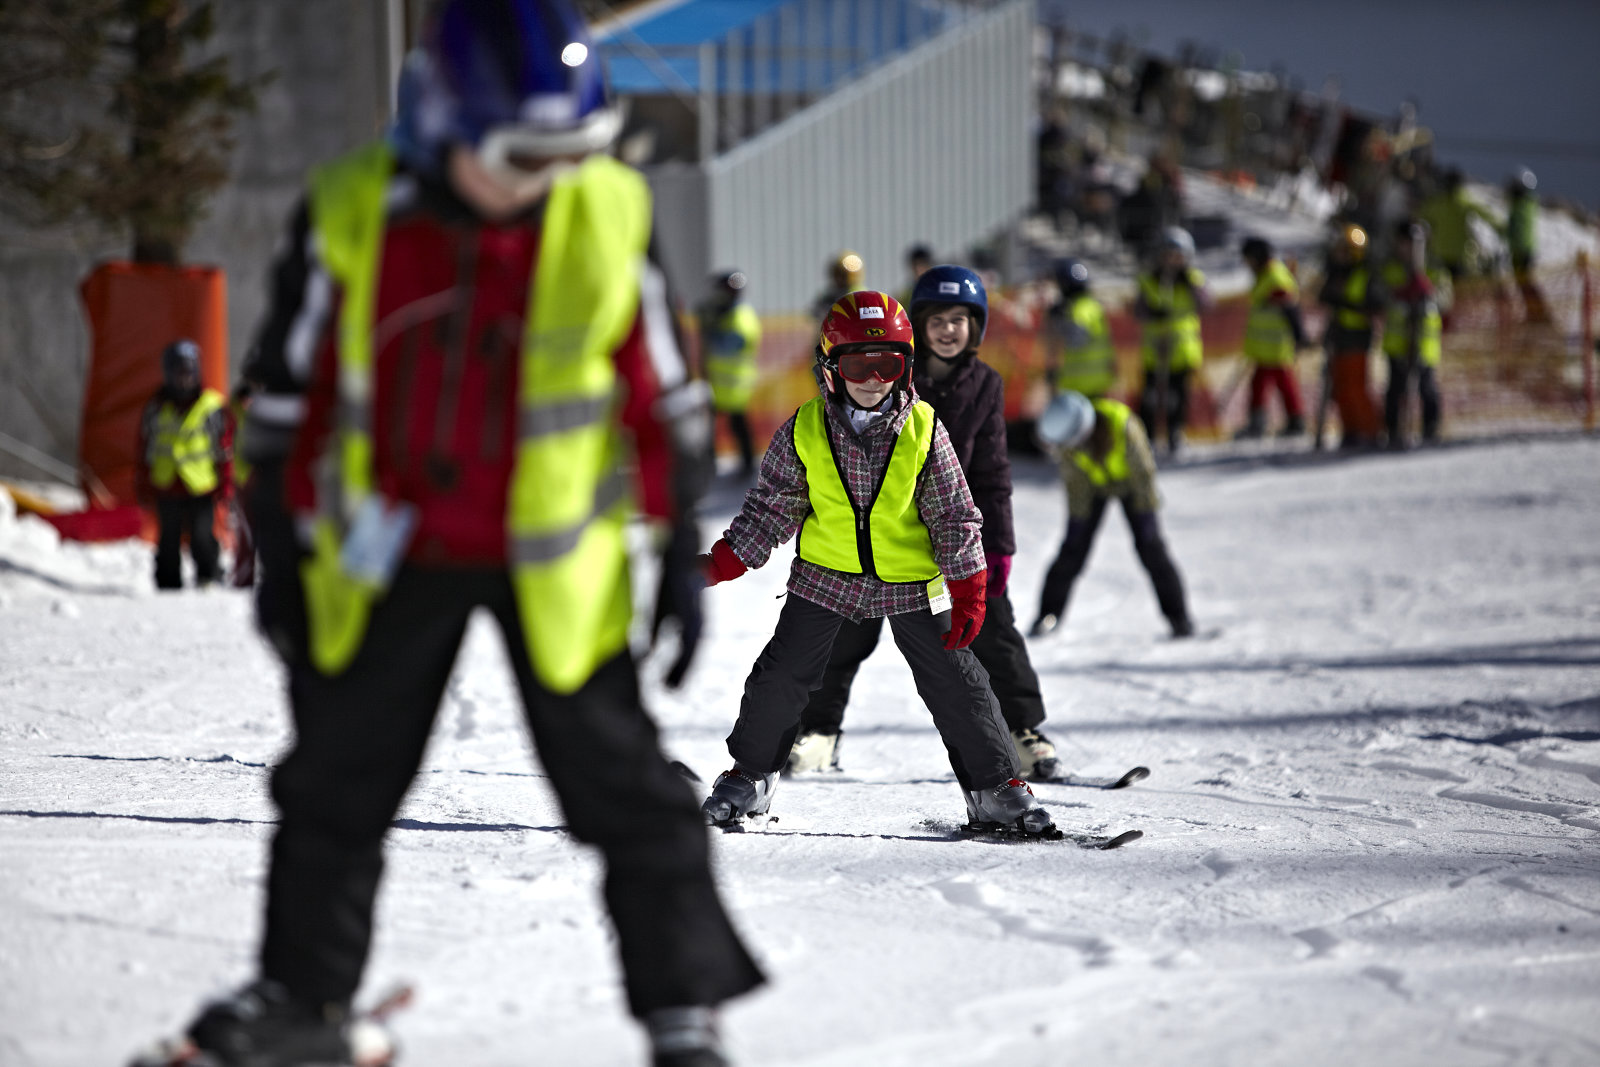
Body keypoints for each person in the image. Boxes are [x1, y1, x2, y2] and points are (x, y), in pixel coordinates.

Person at [144, 4, 764, 1065]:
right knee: (335, 783)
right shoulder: (355, 213)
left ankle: (683, 1008)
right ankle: (303, 998)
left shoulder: (605, 209)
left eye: (573, 151)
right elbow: (284, 402)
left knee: (626, 785)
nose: (549, 178)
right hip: (393, 553)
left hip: (553, 561)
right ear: (443, 127)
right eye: (524, 157)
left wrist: (673, 550)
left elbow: (663, 398)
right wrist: (279, 551)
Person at [696, 290, 1057, 839]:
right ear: (830, 368)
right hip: (826, 578)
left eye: (887, 365)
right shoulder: (804, 429)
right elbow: (770, 509)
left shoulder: (923, 428)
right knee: (783, 675)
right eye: (857, 365)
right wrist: (723, 561)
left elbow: (953, 514)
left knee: (958, 681)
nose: (872, 380)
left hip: (911, 581)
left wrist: (969, 585)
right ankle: (750, 776)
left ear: (904, 367)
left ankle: (995, 788)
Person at [785, 267, 1061, 781]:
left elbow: (992, 473)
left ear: (975, 327)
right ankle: (819, 732)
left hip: (956, 533)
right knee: (842, 636)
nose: (948, 331)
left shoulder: (985, 384)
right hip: (882, 534)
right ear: (917, 329)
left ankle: (1022, 730)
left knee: (994, 632)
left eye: (959, 320)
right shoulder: (890, 373)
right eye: (936, 321)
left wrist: (998, 548)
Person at [1030, 391, 1193, 640]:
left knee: (1151, 548)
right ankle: (1047, 616)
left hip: (1131, 486)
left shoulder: (1124, 427)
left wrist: (1146, 514)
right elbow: (1076, 485)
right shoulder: (1069, 445)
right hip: (1094, 487)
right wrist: (1077, 522)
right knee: (1072, 551)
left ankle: (1179, 618)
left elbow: (1144, 474)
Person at [136, 338, 232, 591]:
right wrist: (143, 483)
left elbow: (224, 449)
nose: (184, 379)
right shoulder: (156, 407)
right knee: (168, 538)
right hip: (166, 484)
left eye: (189, 372)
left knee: (202, 536)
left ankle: (208, 576)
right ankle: (168, 584)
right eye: (179, 373)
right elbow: (145, 447)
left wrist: (226, 484)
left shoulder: (211, 406)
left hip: (201, 485)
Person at [1133, 227, 1207, 452]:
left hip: (1182, 348)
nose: (1171, 261)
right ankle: (1147, 434)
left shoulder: (1192, 279)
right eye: (1167, 255)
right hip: (1155, 348)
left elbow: (1206, 303)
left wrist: (1190, 286)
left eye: (1177, 256)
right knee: (1150, 396)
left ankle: (1175, 431)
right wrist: (1153, 313)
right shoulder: (1149, 280)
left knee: (1178, 395)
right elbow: (1138, 309)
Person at [1316, 223, 1384, 447]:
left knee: (1356, 387)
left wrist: (1345, 304)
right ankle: (1351, 430)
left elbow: (1374, 306)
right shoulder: (1336, 274)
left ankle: (1371, 430)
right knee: (1340, 387)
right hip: (1338, 336)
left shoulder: (1366, 275)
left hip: (1357, 337)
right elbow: (1323, 296)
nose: (1339, 254)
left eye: (1344, 250)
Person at [1236, 236, 1308, 438]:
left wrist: (1299, 336)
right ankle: (1274, 421)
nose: (1247, 264)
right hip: (1265, 345)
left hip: (1276, 344)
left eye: (1249, 259)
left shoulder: (1275, 277)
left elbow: (1290, 309)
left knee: (1279, 382)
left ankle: (1293, 421)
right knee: (1263, 382)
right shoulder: (1265, 275)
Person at [1380, 220, 1444, 447]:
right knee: (1395, 388)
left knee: (1427, 387)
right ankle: (1392, 431)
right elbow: (1382, 295)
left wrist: (1427, 295)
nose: (1409, 248)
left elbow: (1445, 298)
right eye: (1405, 243)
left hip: (1425, 341)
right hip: (1397, 341)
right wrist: (1401, 297)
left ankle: (1430, 429)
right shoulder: (1391, 269)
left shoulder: (1434, 268)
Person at [698, 269, 762, 476]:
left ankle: (748, 466)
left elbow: (725, 346)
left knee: (737, 425)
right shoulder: (724, 315)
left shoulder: (742, 318)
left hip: (734, 384)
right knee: (708, 428)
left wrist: (709, 328)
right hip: (716, 382)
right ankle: (708, 465)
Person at [1046, 258, 1116, 400]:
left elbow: (1075, 341)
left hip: (1079, 385)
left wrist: (1059, 321)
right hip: (1099, 382)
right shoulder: (1093, 306)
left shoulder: (1077, 311)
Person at [1504, 168, 1549, 324]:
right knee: (1524, 283)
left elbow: (1517, 229)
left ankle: (1538, 314)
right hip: (1521, 249)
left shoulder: (1522, 205)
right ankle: (1534, 313)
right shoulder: (1525, 204)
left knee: (1526, 283)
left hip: (1522, 251)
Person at [810, 249, 864, 321]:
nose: (837, 277)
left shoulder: (859, 295)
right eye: (837, 273)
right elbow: (815, 313)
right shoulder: (829, 296)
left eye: (841, 274)